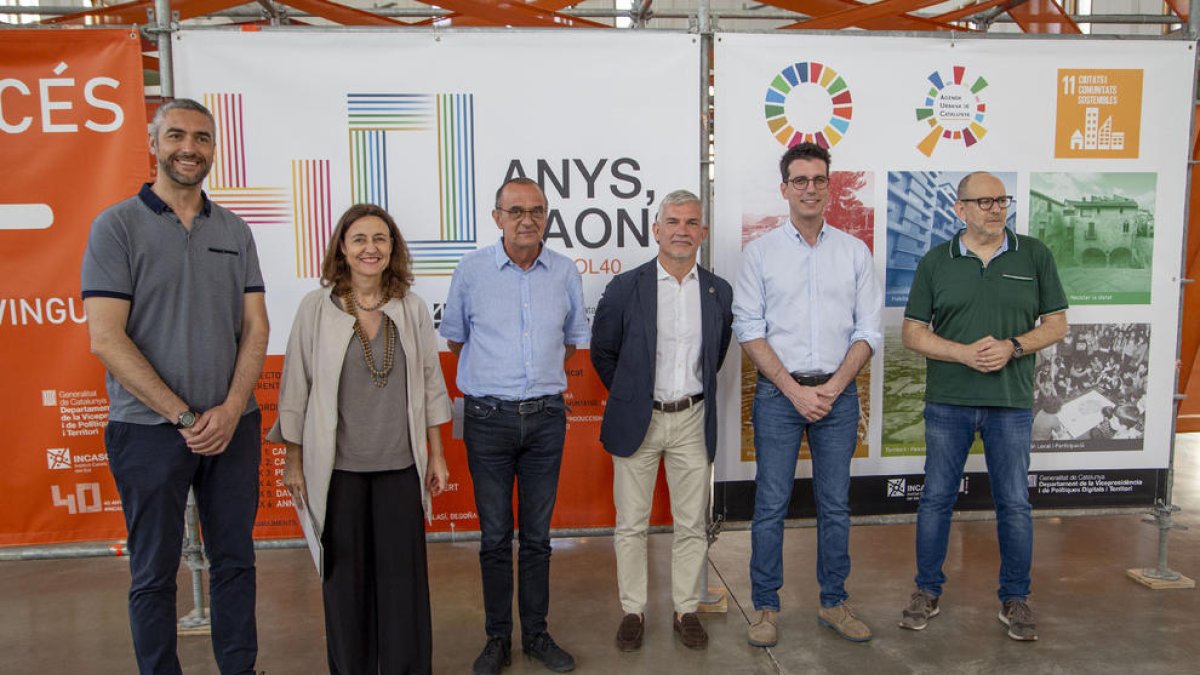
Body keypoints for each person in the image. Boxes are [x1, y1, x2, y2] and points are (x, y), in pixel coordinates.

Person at [81, 98, 269, 675]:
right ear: (153, 145)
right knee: (154, 569)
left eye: (203, 138)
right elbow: (107, 339)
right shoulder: (115, 227)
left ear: (215, 149)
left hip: (231, 428)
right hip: (148, 432)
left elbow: (256, 324)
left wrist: (233, 407)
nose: (190, 148)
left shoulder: (234, 230)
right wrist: (185, 418)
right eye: (177, 136)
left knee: (235, 561)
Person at [269, 204, 452, 674]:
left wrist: (436, 455)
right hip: (338, 472)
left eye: (380, 239)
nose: (370, 248)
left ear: (393, 249)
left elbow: (431, 384)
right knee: (344, 586)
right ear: (342, 249)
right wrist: (293, 461)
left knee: (403, 587)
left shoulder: (410, 307)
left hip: (399, 468)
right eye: (359, 239)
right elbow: (296, 387)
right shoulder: (316, 308)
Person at [899, 171, 1067, 642]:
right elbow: (912, 333)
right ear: (960, 209)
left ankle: (1016, 598)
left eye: (1001, 200)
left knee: (1014, 503)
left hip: (1010, 404)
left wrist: (1013, 345)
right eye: (984, 201)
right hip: (948, 402)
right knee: (936, 499)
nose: (996, 208)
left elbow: (1056, 325)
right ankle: (926, 592)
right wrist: (963, 352)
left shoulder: (1034, 255)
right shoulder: (936, 261)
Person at [732, 142, 882, 646]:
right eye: (800, 181)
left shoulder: (854, 252)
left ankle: (834, 603)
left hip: (839, 394)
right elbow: (749, 329)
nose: (810, 189)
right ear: (785, 189)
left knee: (835, 504)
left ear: (829, 186)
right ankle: (766, 609)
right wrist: (796, 391)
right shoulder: (760, 254)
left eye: (819, 179)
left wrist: (835, 388)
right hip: (780, 396)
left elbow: (869, 332)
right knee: (771, 503)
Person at [439, 177, 590, 674]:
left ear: (546, 216)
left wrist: (535, 378)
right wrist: (498, 379)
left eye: (537, 211)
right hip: (487, 418)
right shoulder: (472, 271)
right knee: (495, 536)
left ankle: (538, 636)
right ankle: (498, 639)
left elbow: (569, 342)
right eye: (516, 210)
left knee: (539, 536)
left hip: (546, 418)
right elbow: (458, 340)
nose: (528, 219)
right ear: (497, 216)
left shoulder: (564, 271)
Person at [590, 190, 734, 652]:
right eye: (672, 221)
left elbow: (715, 354)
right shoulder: (625, 287)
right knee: (631, 523)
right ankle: (633, 609)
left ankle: (685, 609)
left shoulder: (718, 291)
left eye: (692, 222)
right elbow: (603, 353)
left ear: (703, 233)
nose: (682, 230)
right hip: (640, 419)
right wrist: (633, 396)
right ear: (656, 230)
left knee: (692, 522)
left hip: (692, 417)